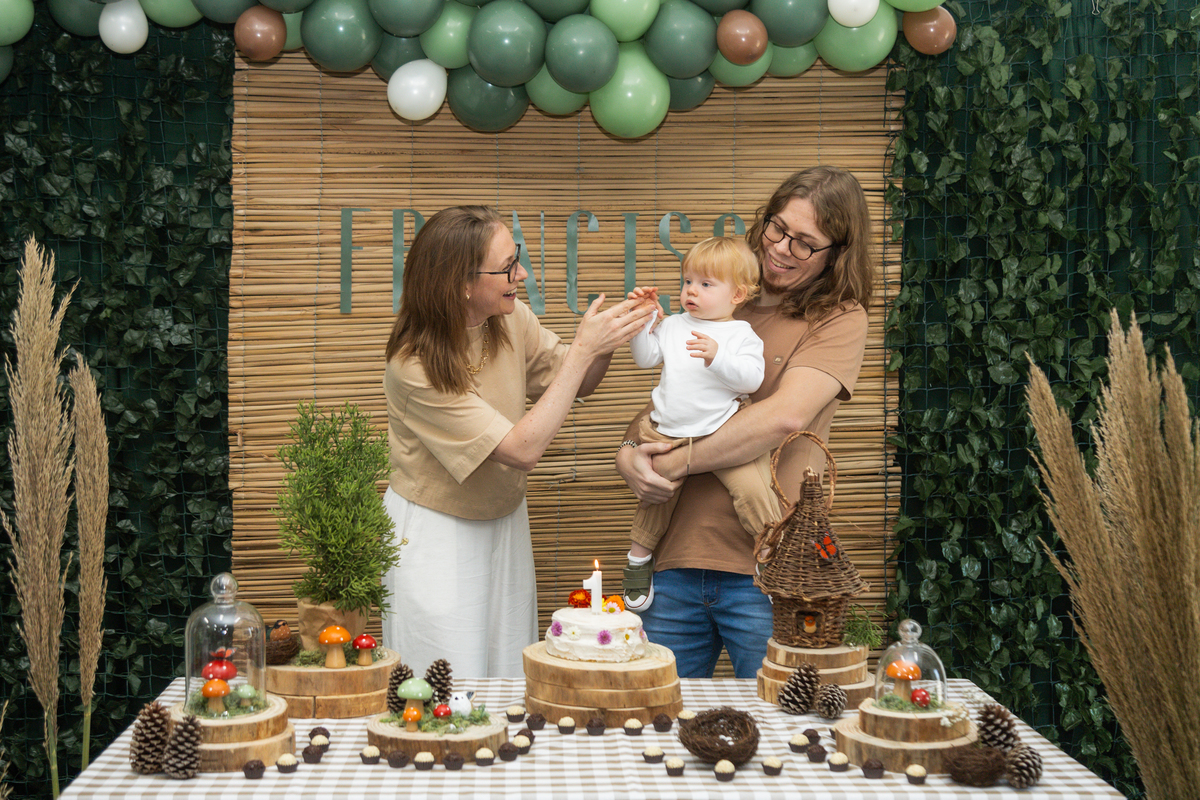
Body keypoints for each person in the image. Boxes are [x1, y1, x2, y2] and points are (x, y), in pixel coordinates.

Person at [616, 167, 874, 679]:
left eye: (805, 243)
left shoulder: (839, 318)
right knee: (658, 710)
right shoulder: (714, 296)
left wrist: (676, 461)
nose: (780, 248)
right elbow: (668, 404)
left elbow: (784, 416)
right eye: (777, 228)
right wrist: (629, 455)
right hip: (675, 561)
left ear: (837, 253)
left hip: (769, 574)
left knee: (782, 710)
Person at [381, 205, 655, 678]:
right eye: (507, 267)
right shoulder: (413, 366)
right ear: (461, 284)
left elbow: (579, 380)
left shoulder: (510, 319)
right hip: (435, 535)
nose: (521, 274)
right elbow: (521, 450)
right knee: (445, 679)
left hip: (505, 520)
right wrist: (583, 349)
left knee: (508, 670)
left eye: (517, 258)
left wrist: (610, 336)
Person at [620, 237, 781, 612]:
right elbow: (645, 358)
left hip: (722, 434)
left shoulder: (741, 335)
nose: (691, 290)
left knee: (754, 491)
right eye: (688, 281)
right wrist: (644, 323)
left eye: (706, 284)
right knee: (655, 496)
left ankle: (772, 554)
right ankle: (638, 559)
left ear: (737, 294)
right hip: (667, 432)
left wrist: (717, 357)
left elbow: (751, 380)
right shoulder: (674, 325)